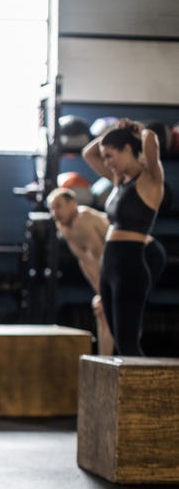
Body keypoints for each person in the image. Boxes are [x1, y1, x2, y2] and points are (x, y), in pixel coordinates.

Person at [82, 118, 167, 355]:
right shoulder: (119, 180)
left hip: (131, 265)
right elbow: (88, 153)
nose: (107, 162)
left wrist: (135, 130)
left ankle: (145, 391)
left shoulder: (151, 180)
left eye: (110, 155)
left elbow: (151, 140)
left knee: (128, 344)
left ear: (128, 149)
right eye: (105, 156)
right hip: (109, 264)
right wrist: (113, 133)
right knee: (119, 340)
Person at [46, 188, 114, 355]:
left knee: (115, 313)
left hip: (135, 258)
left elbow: (102, 259)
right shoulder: (63, 227)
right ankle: (104, 363)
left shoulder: (83, 219)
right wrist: (99, 293)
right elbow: (84, 262)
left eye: (59, 206)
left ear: (73, 204)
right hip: (112, 269)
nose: (55, 213)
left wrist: (105, 295)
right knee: (102, 312)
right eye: (51, 208)